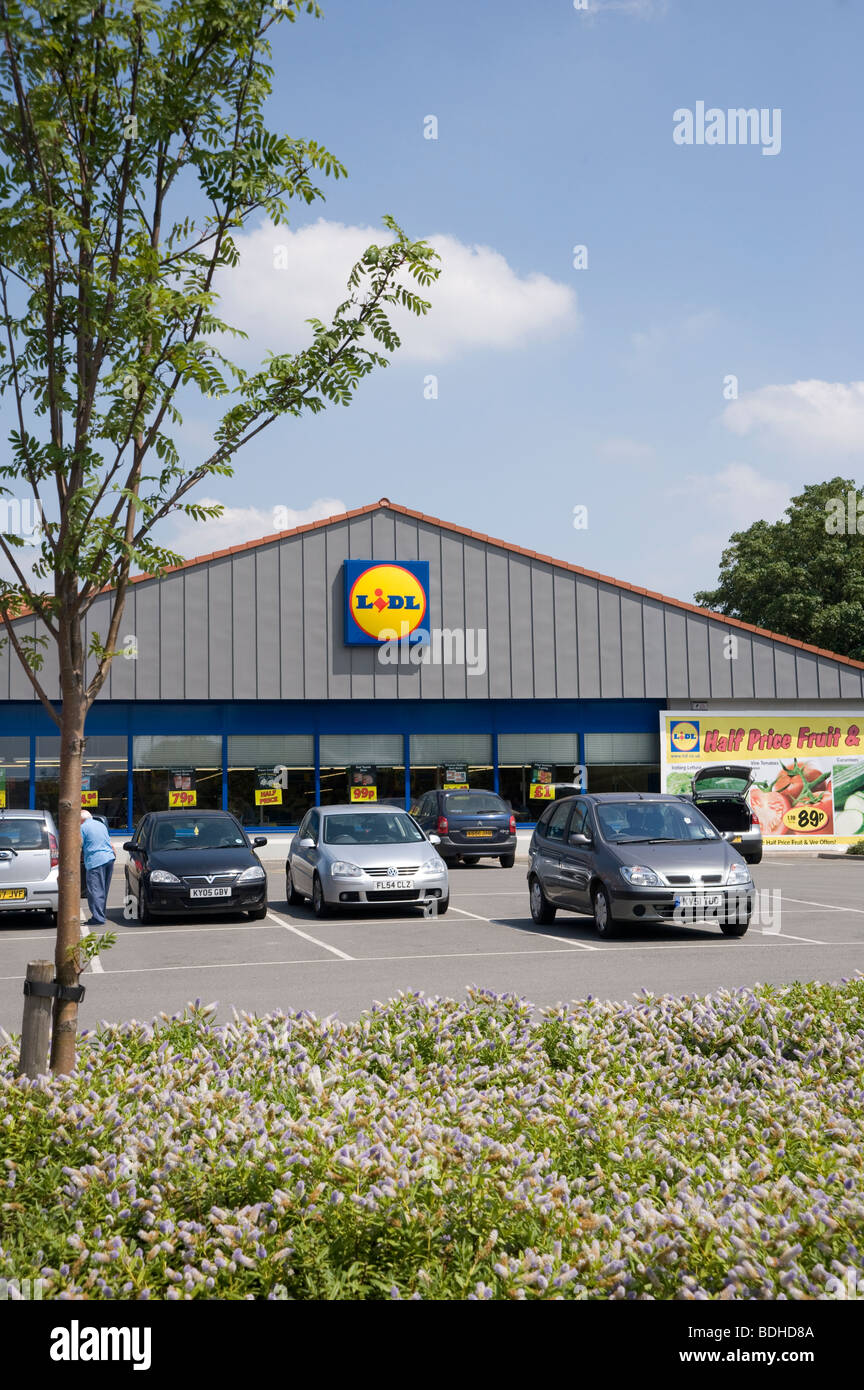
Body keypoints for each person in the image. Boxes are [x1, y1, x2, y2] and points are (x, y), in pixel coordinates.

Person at [80, 809, 116, 926]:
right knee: (103, 889)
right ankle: (101, 914)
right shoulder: (101, 825)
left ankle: (98, 918)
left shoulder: (82, 828)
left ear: (81, 819)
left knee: (95, 890)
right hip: (109, 858)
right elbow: (109, 842)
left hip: (95, 861)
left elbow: (78, 845)